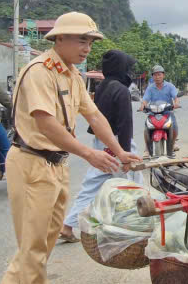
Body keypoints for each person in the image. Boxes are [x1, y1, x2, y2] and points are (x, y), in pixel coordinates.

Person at [0, 12, 141, 284]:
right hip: (31, 161)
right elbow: (46, 124)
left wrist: (117, 150)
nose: (87, 47)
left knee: (45, 235)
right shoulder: (39, 72)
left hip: (56, 164)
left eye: (90, 41)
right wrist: (90, 154)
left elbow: (95, 115)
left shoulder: (72, 74)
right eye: (81, 39)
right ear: (59, 39)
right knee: (34, 239)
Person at [60, 49, 141, 244]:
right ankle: (133, 228)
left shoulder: (103, 86)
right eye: (128, 67)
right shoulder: (121, 90)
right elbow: (125, 124)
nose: (130, 71)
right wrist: (125, 153)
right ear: (122, 68)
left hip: (101, 140)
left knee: (94, 184)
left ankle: (68, 225)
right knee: (131, 182)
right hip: (115, 142)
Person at [141, 65, 179, 152]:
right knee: (147, 127)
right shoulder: (150, 88)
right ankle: (147, 147)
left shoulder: (170, 86)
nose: (157, 77)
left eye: (159, 74)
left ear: (163, 75)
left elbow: (175, 97)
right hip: (153, 112)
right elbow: (145, 99)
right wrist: (143, 105)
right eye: (155, 75)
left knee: (175, 126)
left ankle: (172, 143)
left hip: (167, 111)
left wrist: (176, 103)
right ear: (152, 76)